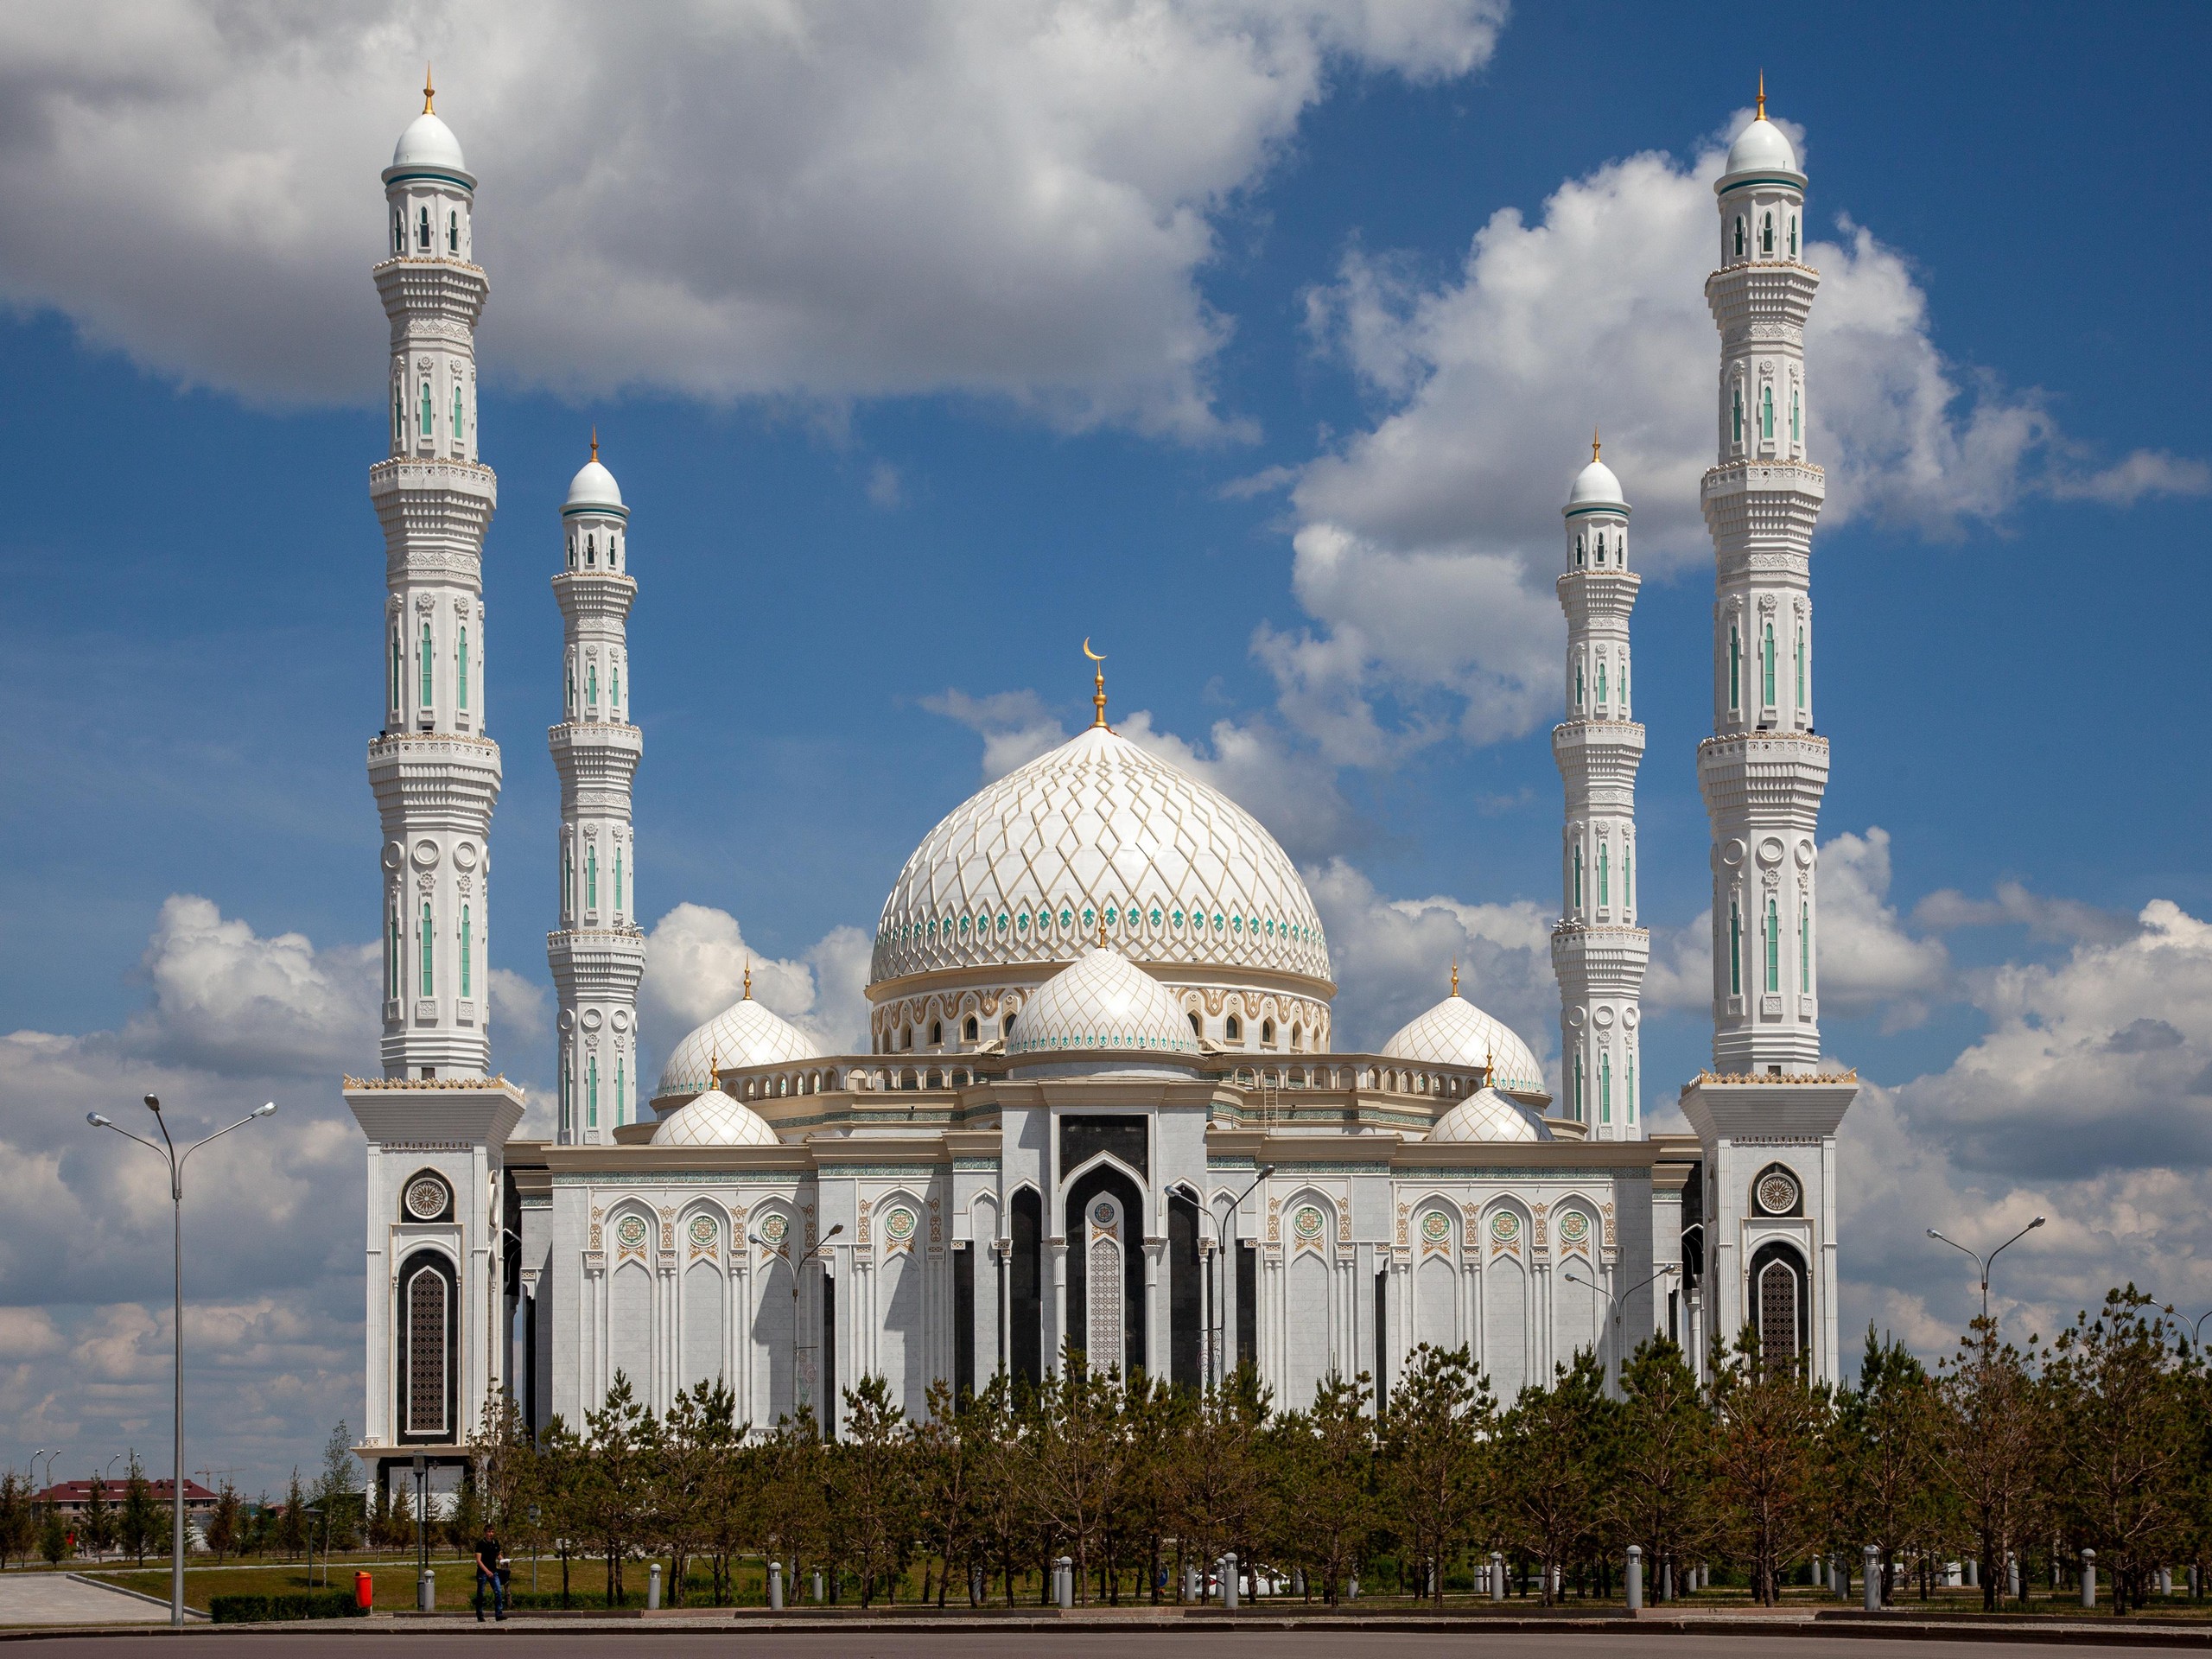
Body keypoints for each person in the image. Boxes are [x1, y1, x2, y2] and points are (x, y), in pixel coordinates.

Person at [474, 1522, 506, 1622]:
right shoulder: (480, 1544)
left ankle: (499, 1614)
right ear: (485, 1533)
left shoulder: (495, 1543)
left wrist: (503, 1560)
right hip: (483, 1572)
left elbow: (498, 1554)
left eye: (492, 1532)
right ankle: (480, 1614)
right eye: (489, 1532)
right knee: (481, 1594)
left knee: (498, 1592)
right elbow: (478, 1560)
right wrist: (486, 1571)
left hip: (494, 1570)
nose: (491, 1534)